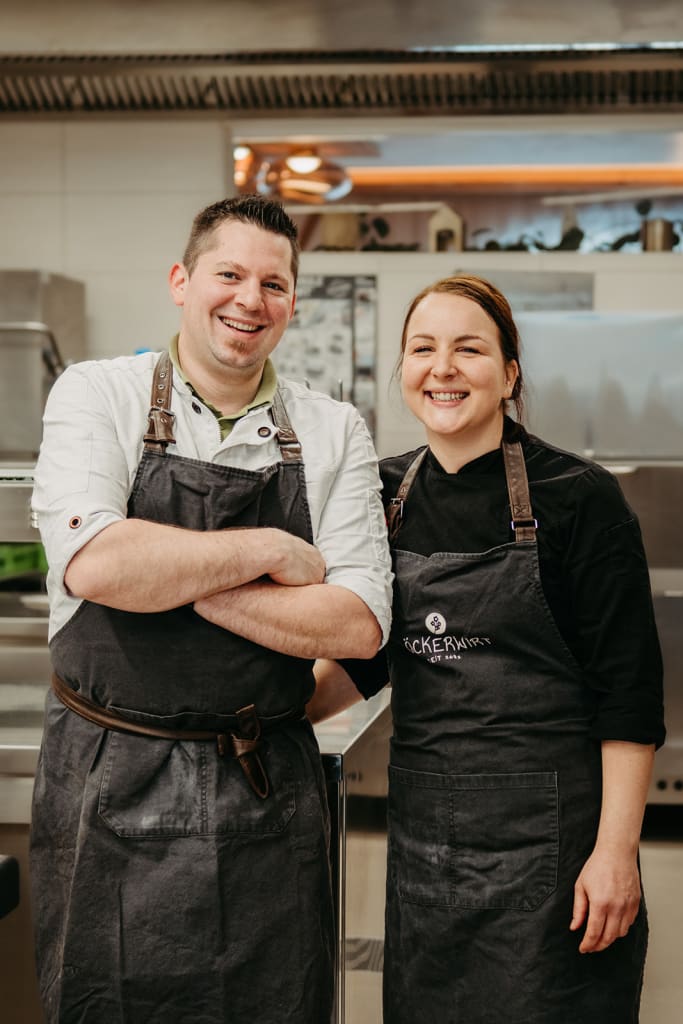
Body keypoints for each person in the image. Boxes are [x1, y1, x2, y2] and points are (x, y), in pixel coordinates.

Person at [29, 193, 393, 1024]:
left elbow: (356, 623)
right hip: (106, 780)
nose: (249, 300)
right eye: (228, 274)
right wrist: (269, 552)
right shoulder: (98, 393)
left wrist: (167, 576)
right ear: (181, 281)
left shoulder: (333, 429)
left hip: (267, 789)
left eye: (273, 284)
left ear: (292, 302)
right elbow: (97, 565)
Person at [310, 274, 665, 1023]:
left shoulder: (579, 496)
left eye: (467, 349)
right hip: (425, 846)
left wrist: (615, 854)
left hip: (554, 846)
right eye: (422, 349)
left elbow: (628, 694)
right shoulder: (381, 497)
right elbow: (368, 657)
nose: (442, 368)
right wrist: (253, 712)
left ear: (508, 375)